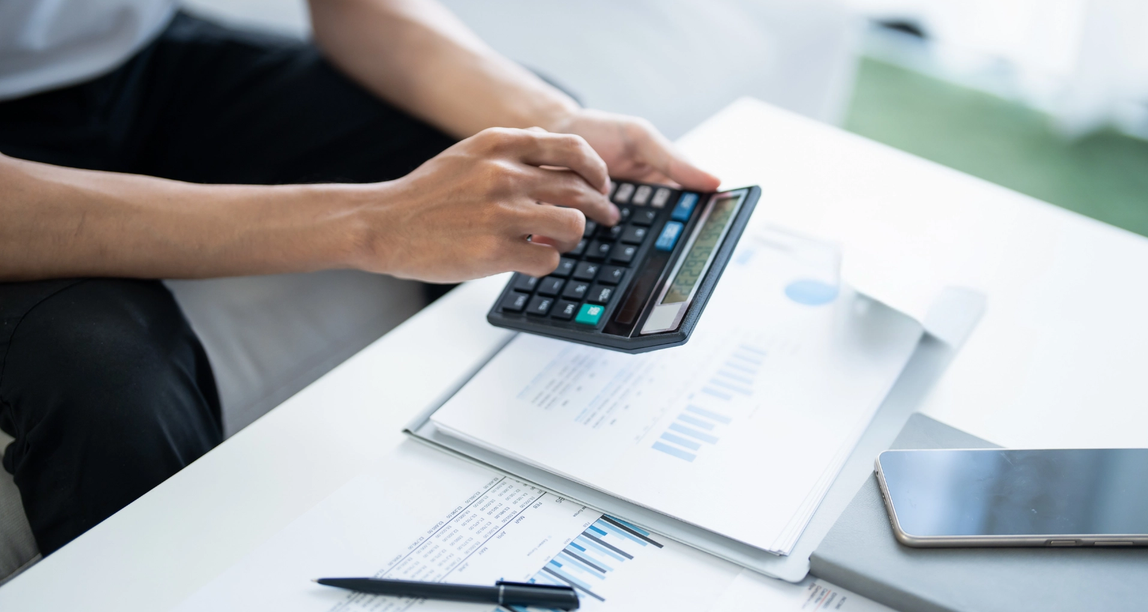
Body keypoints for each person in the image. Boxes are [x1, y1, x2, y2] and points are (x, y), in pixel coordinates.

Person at [0, 0, 719, 556]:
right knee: (108, 378)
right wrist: (374, 222)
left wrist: (556, 121)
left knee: (532, 167)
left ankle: (558, 484)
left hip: (137, 59)